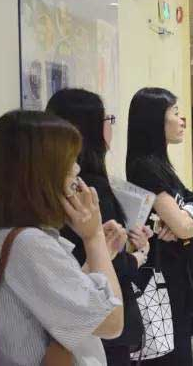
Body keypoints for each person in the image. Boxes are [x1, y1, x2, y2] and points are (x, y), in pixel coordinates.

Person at [0, 110, 124, 365]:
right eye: (69, 161)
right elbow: (111, 322)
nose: (77, 169)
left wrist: (98, 257)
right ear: (42, 172)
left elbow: (54, 299)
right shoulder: (29, 245)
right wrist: (94, 237)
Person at [47, 89, 152, 365]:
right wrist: (138, 257)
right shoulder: (91, 192)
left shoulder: (55, 192)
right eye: (107, 119)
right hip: (101, 323)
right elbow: (105, 263)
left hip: (79, 322)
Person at [126, 87, 193, 365]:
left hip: (173, 268)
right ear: (155, 121)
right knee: (171, 351)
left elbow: (184, 221)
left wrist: (186, 220)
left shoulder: (158, 164)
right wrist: (188, 221)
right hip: (162, 273)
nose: (182, 121)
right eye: (176, 113)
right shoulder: (145, 167)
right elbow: (183, 227)